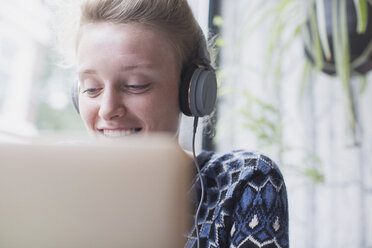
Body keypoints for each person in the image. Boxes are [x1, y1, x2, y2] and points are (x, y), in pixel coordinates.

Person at [67, 0, 289, 247]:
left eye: (135, 84)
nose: (107, 109)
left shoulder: (245, 182)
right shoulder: (57, 184)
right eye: (91, 88)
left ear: (191, 90)